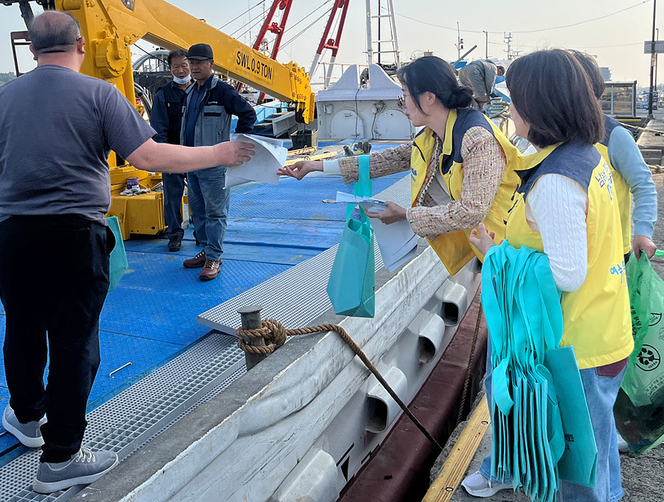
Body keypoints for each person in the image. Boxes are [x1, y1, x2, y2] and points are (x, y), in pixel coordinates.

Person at [0, 12, 252, 494]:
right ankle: (61, 459)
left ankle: (27, 417)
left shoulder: (0, 98)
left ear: (32, 50)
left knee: (23, 327)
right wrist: (219, 154)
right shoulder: (99, 94)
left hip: (13, 235)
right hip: (76, 234)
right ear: (80, 45)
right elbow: (148, 157)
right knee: (75, 342)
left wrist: (25, 177)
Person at [464, 49, 632, 501]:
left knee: (575, 471)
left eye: (514, 99)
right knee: (598, 452)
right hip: (603, 329)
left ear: (538, 106)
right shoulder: (585, 155)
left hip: (574, 347)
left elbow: (568, 272)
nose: (509, 109)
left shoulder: (555, 179)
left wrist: (497, 256)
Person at [279, 55, 521, 273]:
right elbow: (386, 160)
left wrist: (405, 215)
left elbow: (471, 210)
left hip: (514, 255)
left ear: (428, 97)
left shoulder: (476, 138)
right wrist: (315, 167)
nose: (402, 103)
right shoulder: (435, 135)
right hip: (493, 252)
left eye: (404, 95)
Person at [179, 42, 257, 281]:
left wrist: (235, 144)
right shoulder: (191, 91)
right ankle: (206, 250)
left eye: (199, 62)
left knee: (215, 212)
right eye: (191, 62)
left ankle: (214, 256)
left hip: (214, 166)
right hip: (191, 162)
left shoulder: (223, 91)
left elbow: (248, 113)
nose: (194, 67)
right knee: (198, 212)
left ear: (211, 64)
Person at [569, 49, 658, 260]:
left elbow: (643, 183)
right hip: (570, 250)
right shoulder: (552, 135)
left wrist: (643, 232)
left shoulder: (614, 135)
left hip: (612, 251)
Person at [150, 50, 193, 252]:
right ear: (170, 69)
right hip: (172, 153)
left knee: (200, 195)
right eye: (176, 66)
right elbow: (158, 128)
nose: (181, 70)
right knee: (172, 196)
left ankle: (202, 234)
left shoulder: (200, 90)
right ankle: (174, 234)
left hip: (197, 153)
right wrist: (164, 155)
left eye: (184, 65)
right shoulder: (163, 95)